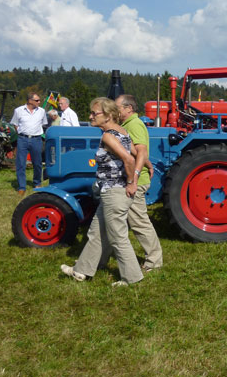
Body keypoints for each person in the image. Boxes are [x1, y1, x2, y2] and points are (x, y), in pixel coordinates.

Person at [60, 98, 143, 287]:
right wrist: (135, 177)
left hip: (115, 193)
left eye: (94, 113)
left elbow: (129, 160)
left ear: (107, 116)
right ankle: (82, 270)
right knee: (96, 232)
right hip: (110, 192)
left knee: (117, 237)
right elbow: (138, 155)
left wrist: (132, 183)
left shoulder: (108, 136)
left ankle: (132, 278)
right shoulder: (123, 132)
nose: (90, 116)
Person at [112, 94, 162, 272]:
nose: (115, 110)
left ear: (128, 108)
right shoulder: (126, 125)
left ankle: (154, 260)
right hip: (129, 179)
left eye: (117, 107)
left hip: (135, 181)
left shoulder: (135, 124)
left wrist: (135, 176)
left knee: (139, 222)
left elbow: (141, 152)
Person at [10, 93, 48, 196]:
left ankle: (37, 183)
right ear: (30, 101)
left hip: (36, 139)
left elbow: (44, 123)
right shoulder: (18, 111)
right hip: (23, 139)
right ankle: (22, 187)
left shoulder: (42, 111)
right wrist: (21, 134)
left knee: (37, 163)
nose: (39, 102)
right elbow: (15, 124)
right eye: (37, 100)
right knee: (21, 163)